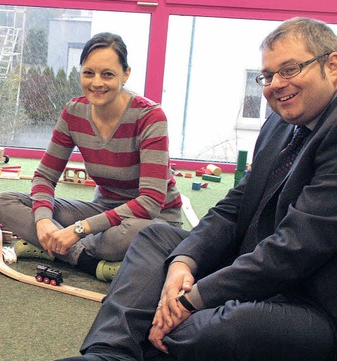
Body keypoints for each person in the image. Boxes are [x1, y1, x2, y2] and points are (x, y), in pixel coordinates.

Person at [64, 17, 337, 361]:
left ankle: (142, 343)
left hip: (310, 301)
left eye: (290, 69)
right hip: (249, 264)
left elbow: (296, 248)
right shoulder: (279, 124)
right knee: (157, 239)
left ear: (332, 65)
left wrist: (192, 298)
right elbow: (234, 207)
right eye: (267, 76)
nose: (275, 84)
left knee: (218, 328)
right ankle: (107, 354)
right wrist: (184, 262)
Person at [0, 32, 182, 282]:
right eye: (88, 72)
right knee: (4, 202)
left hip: (151, 218)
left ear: (126, 74)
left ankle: (57, 249)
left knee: (132, 235)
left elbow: (150, 201)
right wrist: (43, 221)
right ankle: (85, 259)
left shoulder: (150, 117)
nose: (96, 82)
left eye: (108, 74)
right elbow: (44, 177)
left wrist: (79, 230)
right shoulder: (74, 112)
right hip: (103, 208)